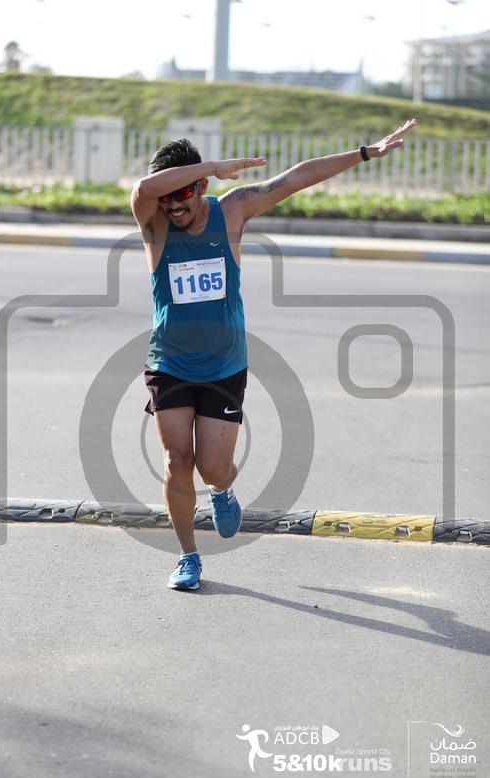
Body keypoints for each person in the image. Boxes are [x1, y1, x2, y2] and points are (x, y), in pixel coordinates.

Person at [130, 119, 417, 591]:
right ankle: (188, 557)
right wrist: (210, 166)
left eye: (182, 197)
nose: (173, 207)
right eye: (167, 199)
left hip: (224, 366)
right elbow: (144, 189)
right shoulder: (155, 224)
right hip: (170, 363)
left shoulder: (232, 211)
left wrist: (365, 153)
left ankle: (222, 489)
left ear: (202, 188)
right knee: (176, 461)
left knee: (212, 467)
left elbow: (295, 178)